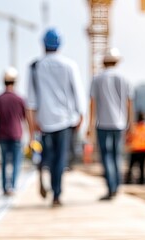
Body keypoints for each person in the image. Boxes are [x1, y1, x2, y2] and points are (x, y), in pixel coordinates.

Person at [27, 28, 85, 207]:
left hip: (44, 121)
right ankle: (56, 192)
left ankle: (48, 181)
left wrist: (32, 124)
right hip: (66, 120)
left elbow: (31, 100)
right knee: (61, 158)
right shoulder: (69, 65)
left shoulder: (35, 66)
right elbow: (78, 93)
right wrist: (81, 116)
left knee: (48, 157)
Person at [86, 48, 133, 200]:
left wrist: (90, 125)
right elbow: (129, 103)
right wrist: (130, 123)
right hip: (119, 124)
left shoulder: (97, 79)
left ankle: (111, 187)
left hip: (103, 123)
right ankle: (116, 186)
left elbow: (92, 103)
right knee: (116, 156)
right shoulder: (124, 78)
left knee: (106, 157)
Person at [0, 67, 28, 196]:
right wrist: (31, 137)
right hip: (16, 135)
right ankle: (13, 187)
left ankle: (5, 187)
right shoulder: (20, 99)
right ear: (15, 81)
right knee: (16, 162)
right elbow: (27, 120)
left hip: (2, 135)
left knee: (4, 162)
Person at [125, 112, 145, 185]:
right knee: (142, 167)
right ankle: (141, 182)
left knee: (131, 166)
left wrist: (127, 145)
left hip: (135, 149)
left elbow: (128, 138)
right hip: (143, 150)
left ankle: (128, 180)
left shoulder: (134, 127)